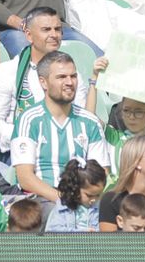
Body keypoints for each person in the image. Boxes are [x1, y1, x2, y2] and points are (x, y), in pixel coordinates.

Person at [11, 51, 109, 203]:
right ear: (43, 82)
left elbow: (102, 172)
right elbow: (25, 178)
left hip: (83, 200)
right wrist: (62, 200)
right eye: (61, 77)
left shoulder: (90, 122)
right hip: (42, 200)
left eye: (73, 76)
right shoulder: (29, 120)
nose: (70, 82)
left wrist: (79, 200)